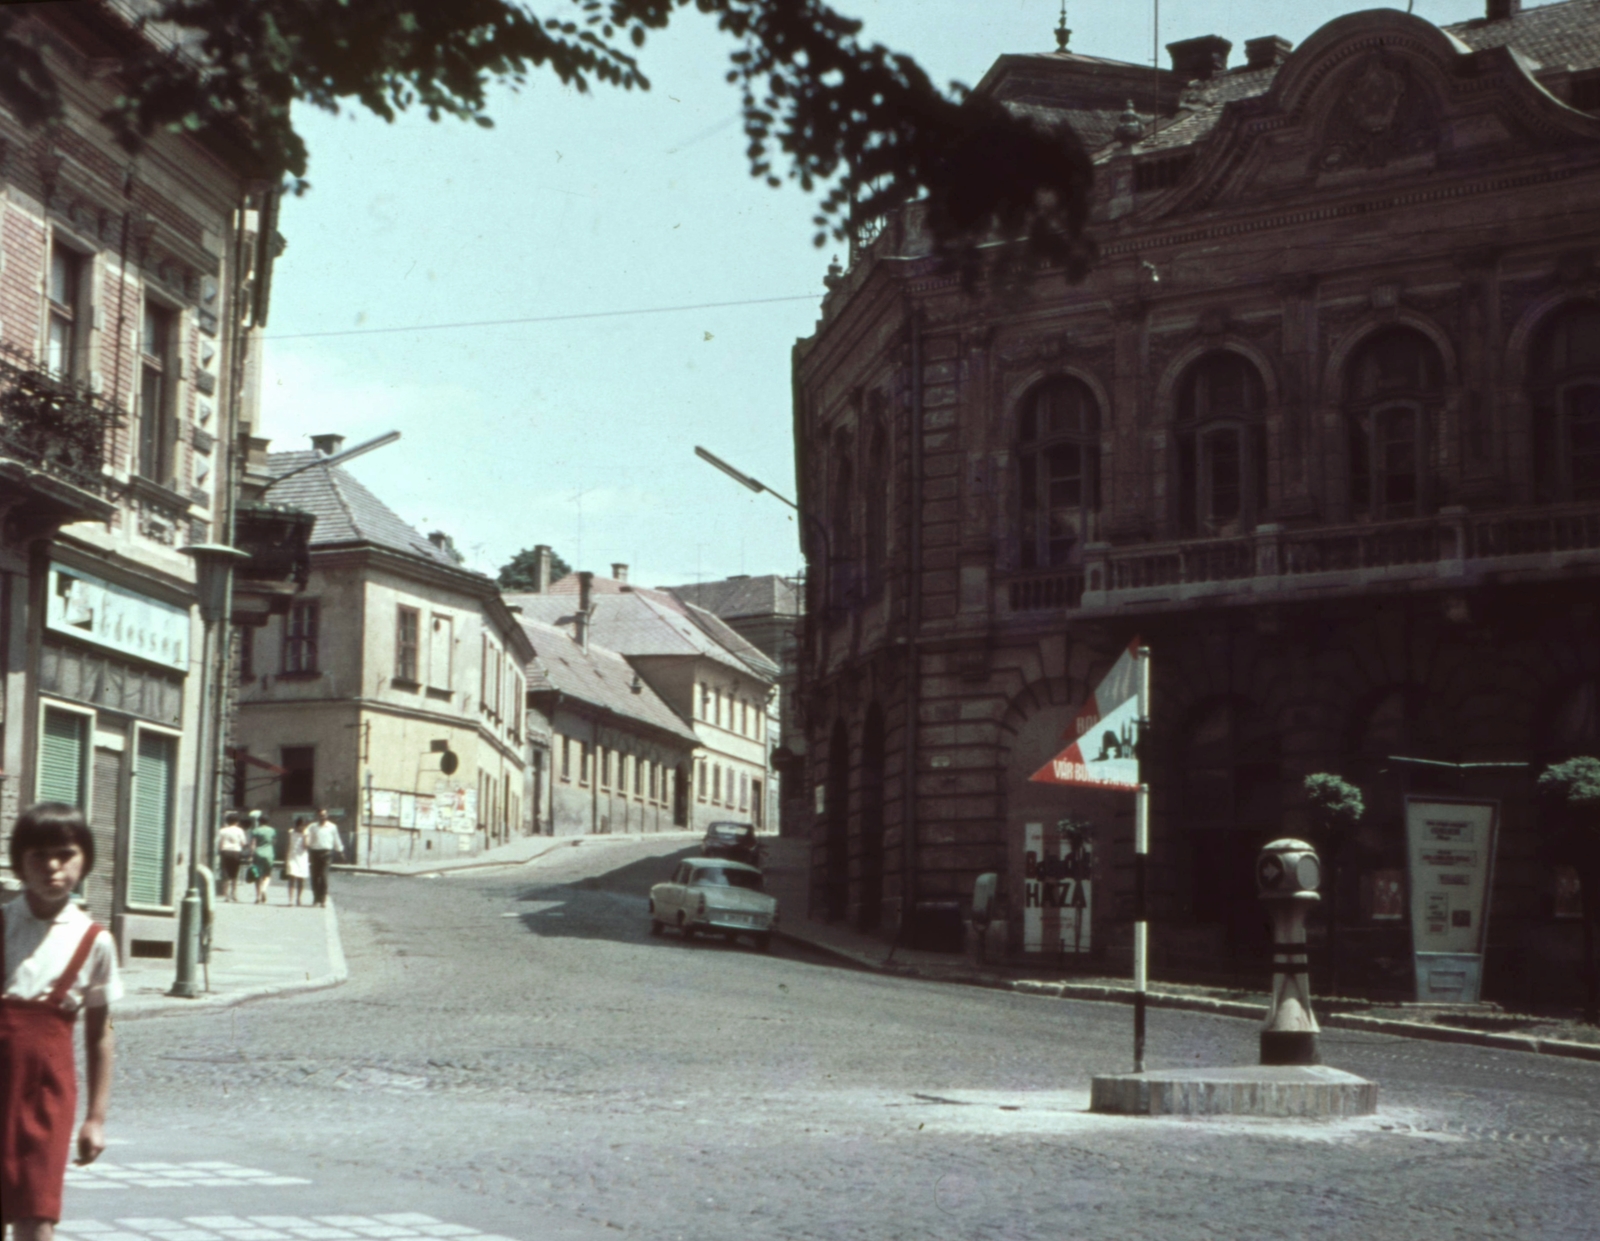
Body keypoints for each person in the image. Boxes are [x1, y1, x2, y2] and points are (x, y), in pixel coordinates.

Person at [1, 803, 119, 1240]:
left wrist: (97, 1119)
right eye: (38, 856)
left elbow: (101, 1036)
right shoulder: (2, 924)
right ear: (19, 863)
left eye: (65, 855)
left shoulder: (95, 941)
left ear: (84, 859)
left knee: (36, 1215)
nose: (53, 867)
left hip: (46, 1095)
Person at [306, 808, 344, 908]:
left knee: (323, 877)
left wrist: (340, 851)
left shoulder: (332, 827)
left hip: (327, 854)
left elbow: (336, 839)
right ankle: (316, 899)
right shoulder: (312, 827)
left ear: (327, 816)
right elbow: (308, 840)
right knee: (315, 877)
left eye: (324, 815)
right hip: (314, 854)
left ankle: (323, 899)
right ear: (317, 816)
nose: (322, 817)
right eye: (320, 815)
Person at [215, 811, 248, 903]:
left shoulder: (222, 831)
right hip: (236, 852)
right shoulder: (239, 831)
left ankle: (226, 896)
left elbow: (218, 843)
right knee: (234, 875)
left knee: (226, 874)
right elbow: (243, 843)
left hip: (225, 852)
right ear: (237, 821)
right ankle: (234, 895)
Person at [246, 811, 276, 905]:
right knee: (267, 874)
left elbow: (253, 844)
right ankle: (264, 889)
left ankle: (258, 897)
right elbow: (274, 842)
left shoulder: (255, 831)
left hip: (258, 853)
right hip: (269, 853)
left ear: (259, 821)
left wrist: (250, 855)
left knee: (257, 876)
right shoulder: (272, 830)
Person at [283, 816, 310, 907]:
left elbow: (306, 846)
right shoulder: (291, 832)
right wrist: (285, 859)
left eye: (304, 826)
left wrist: (305, 836)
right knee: (292, 878)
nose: (302, 827)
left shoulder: (306, 833)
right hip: (292, 857)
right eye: (300, 825)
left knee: (301, 880)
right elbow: (287, 845)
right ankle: (290, 900)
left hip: (302, 858)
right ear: (297, 825)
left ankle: (299, 898)